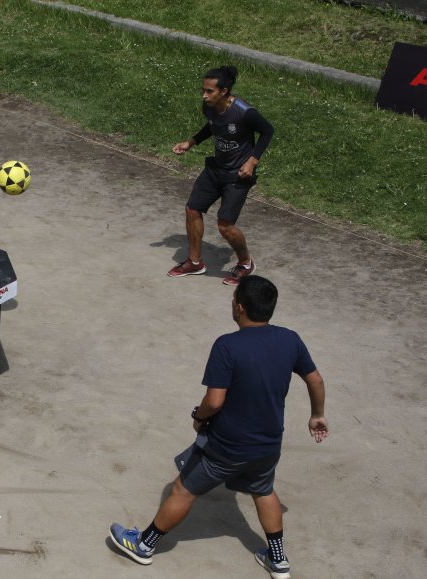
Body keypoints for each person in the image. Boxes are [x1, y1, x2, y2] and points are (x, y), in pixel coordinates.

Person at [107, 275, 327, 578]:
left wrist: (199, 415)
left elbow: (215, 400)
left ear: (239, 307)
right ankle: (278, 559)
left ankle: (144, 545)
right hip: (268, 444)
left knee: (183, 489)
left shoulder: (227, 346)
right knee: (263, 491)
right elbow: (315, 379)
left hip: (226, 447)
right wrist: (317, 414)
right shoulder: (290, 339)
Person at [168, 65, 274, 285]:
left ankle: (245, 263)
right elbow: (212, 126)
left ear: (224, 91)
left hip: (238, 175)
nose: (204, 95)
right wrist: (191, 142)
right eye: (203, 90)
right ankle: (195, 262)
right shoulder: (209, 107)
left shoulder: (245, 112)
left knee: (225, 225)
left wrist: (252, 161)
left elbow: (267, 131)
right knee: (192, 209)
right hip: (216, 169)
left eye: (209, 91)